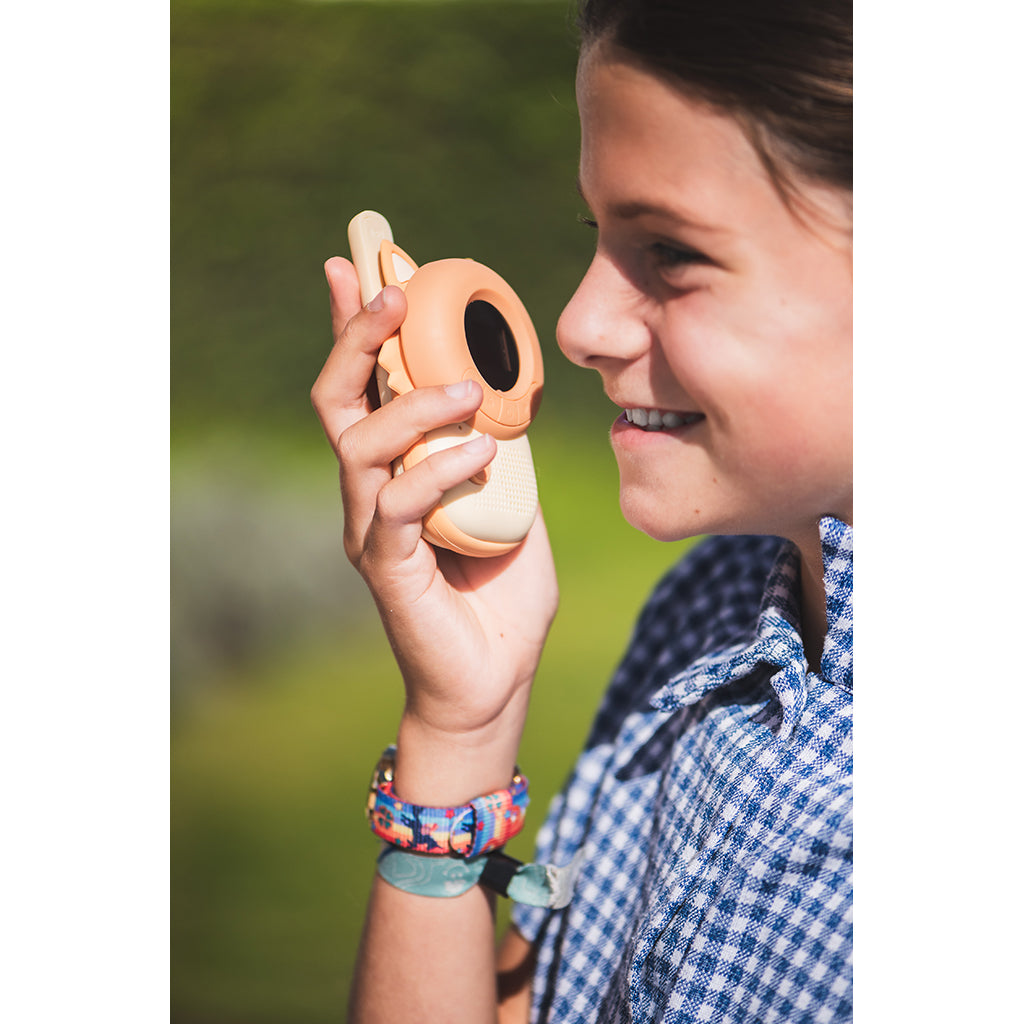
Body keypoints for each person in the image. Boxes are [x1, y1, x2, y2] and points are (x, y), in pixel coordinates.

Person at [311, 0, 852, 1019]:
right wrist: (461, 725)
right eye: (595, 233)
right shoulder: (710, 616)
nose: (575, 325)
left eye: (672, 253)